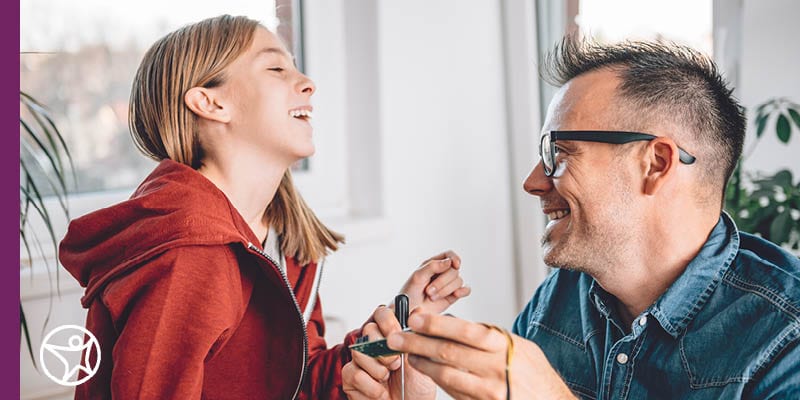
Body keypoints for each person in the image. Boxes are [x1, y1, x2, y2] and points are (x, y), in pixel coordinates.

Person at [342, 37, 800, 399]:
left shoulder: (786, 335)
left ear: (656, 164)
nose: (533, 181)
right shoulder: (561, 296)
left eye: (559, 153)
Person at [59, 15, 471, 399]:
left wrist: (384, 341)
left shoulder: (284, 239)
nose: (308, 82)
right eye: (276, 69)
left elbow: (296, 380)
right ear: (212, 103)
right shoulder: (188, 256)